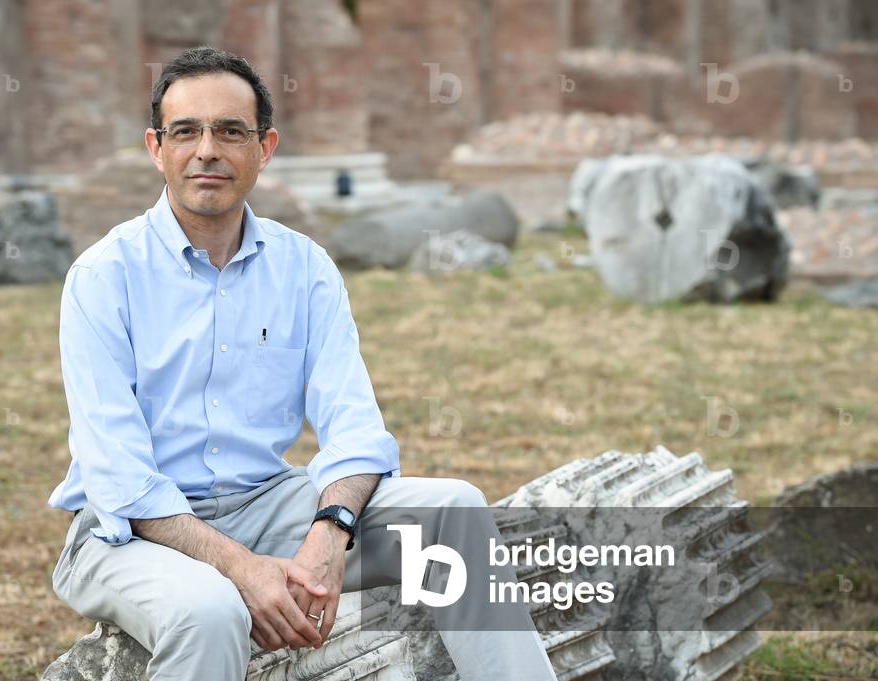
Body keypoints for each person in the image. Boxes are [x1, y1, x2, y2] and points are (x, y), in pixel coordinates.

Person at [47, 45, 558, 681]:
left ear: (265, 148)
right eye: (186, 132)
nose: (207, 150)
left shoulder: (306, 268)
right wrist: (242, 569)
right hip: (129, 533)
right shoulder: (103, 276)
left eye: (231, 131)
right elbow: (120, 478)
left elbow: (356, 428)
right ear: (157, 148)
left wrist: (329, 533)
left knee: (452, 506)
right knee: (208, 612)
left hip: (270, 503)